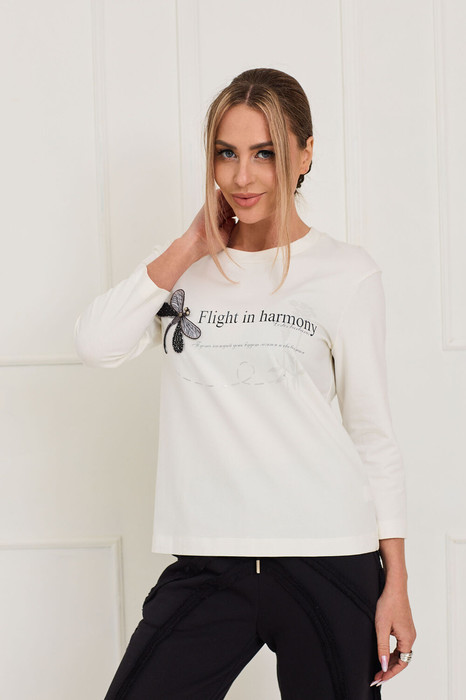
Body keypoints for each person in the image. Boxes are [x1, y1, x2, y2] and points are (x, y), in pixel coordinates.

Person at [74, 67, 416, 699]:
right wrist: (191, 244)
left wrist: (395, 582)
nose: (242, 176)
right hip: (212, 559)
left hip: (328, 555)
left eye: (266, 153)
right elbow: (96, 344)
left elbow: (373, 435)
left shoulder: (347, 274)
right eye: (226, 153)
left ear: (305, 155)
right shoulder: (184, 269)